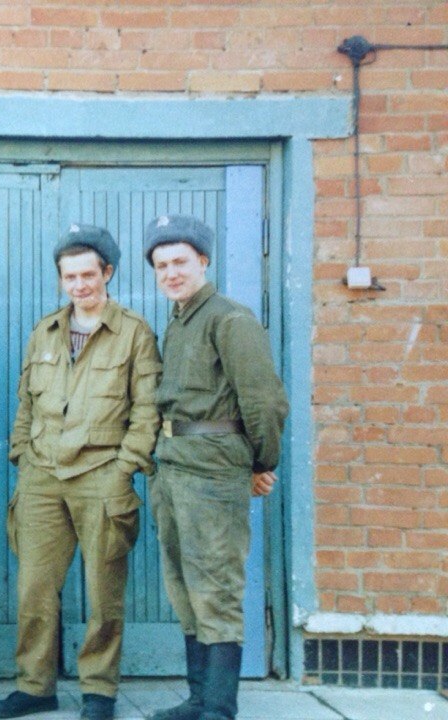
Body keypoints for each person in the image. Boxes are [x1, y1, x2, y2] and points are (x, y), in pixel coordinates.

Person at [0, 224, 161, 720]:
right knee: (35, 588)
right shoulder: (44, 331)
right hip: (42, 475)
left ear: (107, 272)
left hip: (102, 473)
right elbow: (26, 402)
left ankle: (99, 691)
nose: (79, 285)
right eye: (70, 277)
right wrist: (23, 455)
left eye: (88, 274)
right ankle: (34, 687)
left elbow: (147, 410)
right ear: (61, 279)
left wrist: (125, 467)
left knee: (103, 590)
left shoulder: (134, 333)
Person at [143, 215, 289, 720]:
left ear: (203, 261)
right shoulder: (180, 320)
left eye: (180, 262)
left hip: (212, 472)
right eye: (161, 265)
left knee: (216, 588)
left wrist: (260, 462)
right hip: (173, 468)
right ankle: (199, 698)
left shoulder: (230, 319)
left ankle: (219, 708)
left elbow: (264, 401)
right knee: (184, 586)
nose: (171, 273)